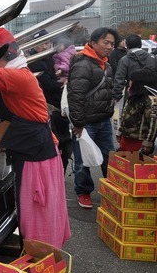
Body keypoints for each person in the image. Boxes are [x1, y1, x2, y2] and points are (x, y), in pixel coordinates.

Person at [0, 28, 71, 248]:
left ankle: (41, 263)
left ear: (1, 54)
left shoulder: (18, 77)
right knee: (29, 209)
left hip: (37, 155)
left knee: (38, 210)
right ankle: (35, 256)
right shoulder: (13, 73)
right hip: (31, 149)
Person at [67, 27, 118, 209]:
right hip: (86, 123)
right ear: (94, 42)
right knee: (82, 160)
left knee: (109, 157)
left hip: (104, 120)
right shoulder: (83, 64)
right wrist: (79, 123)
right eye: (106, 42)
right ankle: (83, 191)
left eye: (112, 43)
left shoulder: (107, 64)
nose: (110, 46)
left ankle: (112, 188)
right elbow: (76, 96)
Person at [27, 30, 73, 173]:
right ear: (35, 45)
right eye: (44, 43)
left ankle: (58, 174)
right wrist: (64, 83)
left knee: (61, 145)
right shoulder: (35, 62)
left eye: (49, 42)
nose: (47, 46)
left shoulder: (50, 58)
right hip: (47, 109)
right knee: (55, 145)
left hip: (56, 108)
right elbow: (47, 85)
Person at [116, 68, 157, 154]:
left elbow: (153, 124)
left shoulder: (150, 101)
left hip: (139, 141)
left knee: (135, 165)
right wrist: (120, 131)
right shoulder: (131, 97)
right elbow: (124, 115)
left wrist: (148, 142)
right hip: (126, 138)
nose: (129, 83)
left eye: (131, 81)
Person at [112, 34, 157, 104]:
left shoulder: (125, 60)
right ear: (141, 44)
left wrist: (116, 96)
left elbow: (119, 79)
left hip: (132, 95)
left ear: (127, 45)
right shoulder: (153, 58)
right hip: (152, 96)